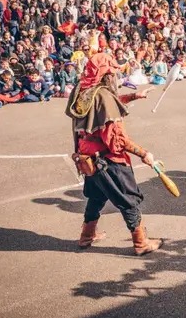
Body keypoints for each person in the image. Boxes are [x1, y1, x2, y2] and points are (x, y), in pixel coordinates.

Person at [65, 53, 161, 255]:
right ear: (106, 74)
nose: (115, 76)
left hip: (88, 159)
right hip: (107, 161)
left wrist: (134, 95)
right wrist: (144, 154)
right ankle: (141, 243)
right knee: (128, 200)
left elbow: (104, 106)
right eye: (113, 72)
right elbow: (117, 141)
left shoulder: (81, 89)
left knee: (96, 196)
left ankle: (86, 235)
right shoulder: (103, 96)